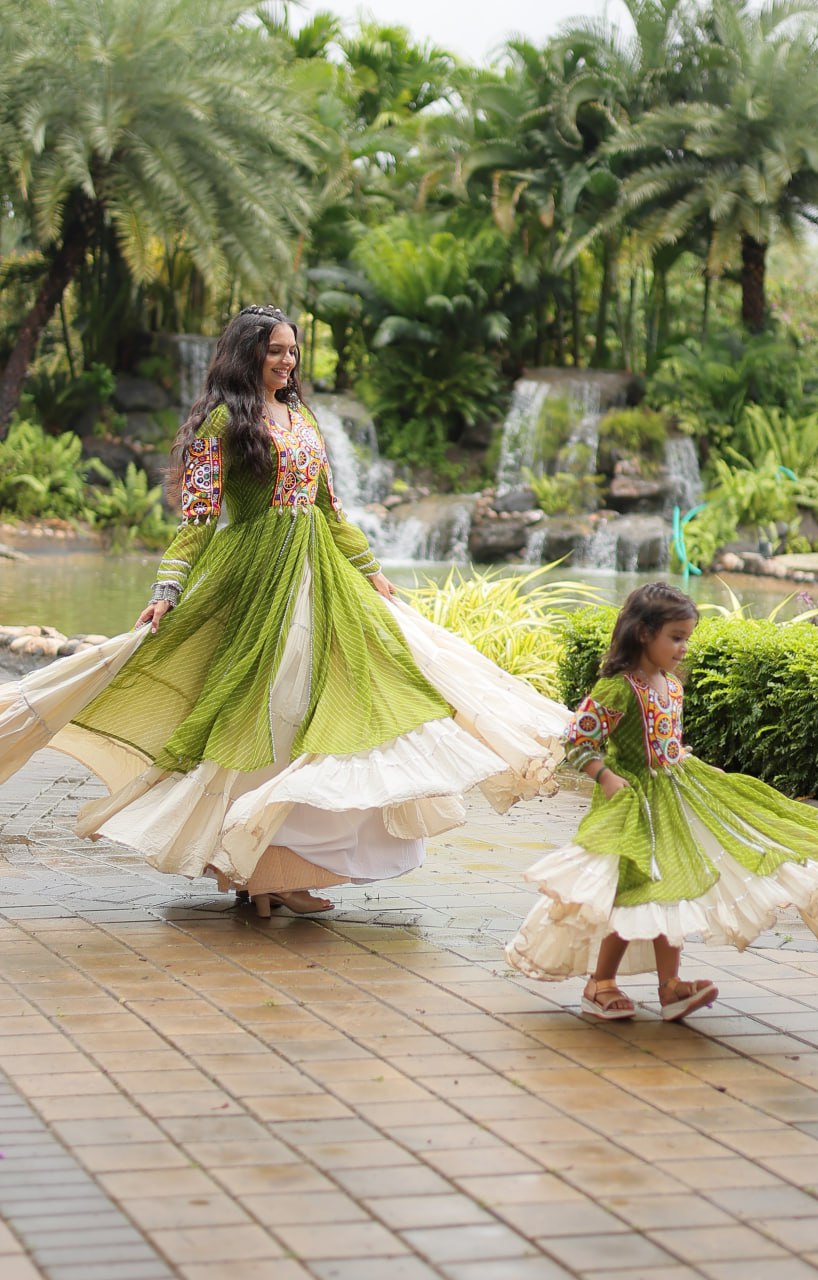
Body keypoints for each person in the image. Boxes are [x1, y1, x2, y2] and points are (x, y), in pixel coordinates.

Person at [0, 305, 571, 915]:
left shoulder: (301, 416)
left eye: (292, 351)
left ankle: (281, 869)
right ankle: (259, 872)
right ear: (246, 353)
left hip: (320, 574)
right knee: (266, 713)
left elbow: (329, 508)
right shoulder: (223, 420)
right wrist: (166, 591)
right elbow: (197, 518)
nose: (287, 360)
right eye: (275, 350)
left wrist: (372, 571)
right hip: (251, 578)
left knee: (325, 712)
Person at [506, 581, 818, 1020]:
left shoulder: (671, 686)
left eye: (687, 637)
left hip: (675, 798)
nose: (683, 647)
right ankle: (600, 983)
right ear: (643, 633)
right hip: (632, 806)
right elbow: (577, 740)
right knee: (635, 895)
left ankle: (670, 987)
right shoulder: (618, 688)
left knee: (673, 889)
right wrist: (606, 776)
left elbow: (668, 742)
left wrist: (687, 760)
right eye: (676, 637)